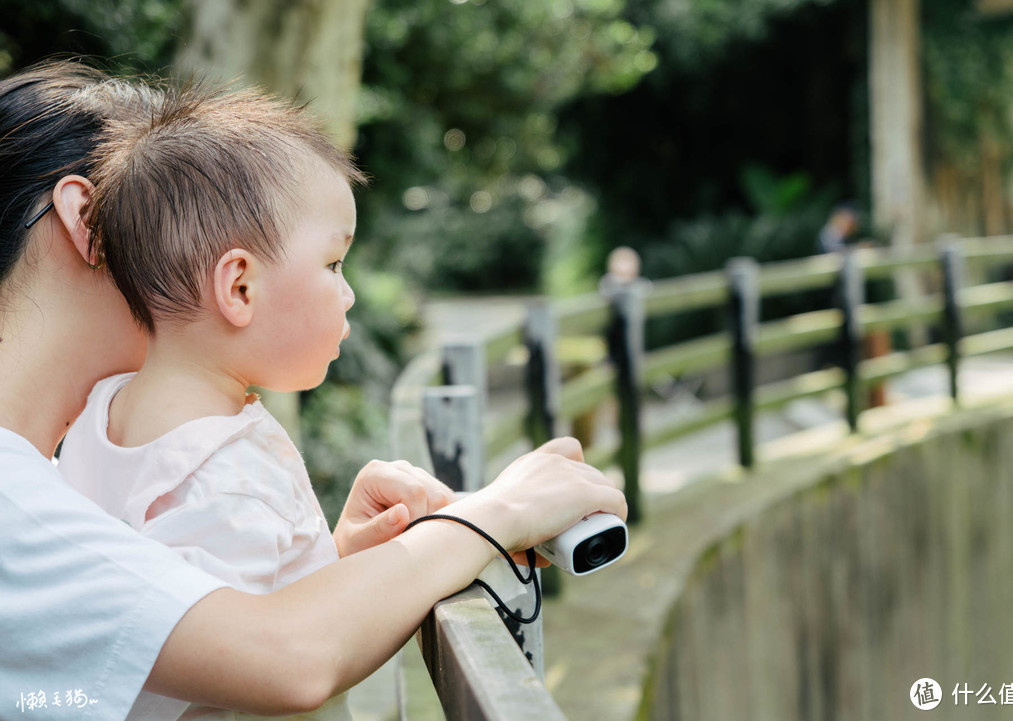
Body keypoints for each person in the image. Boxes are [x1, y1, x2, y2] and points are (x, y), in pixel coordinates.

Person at [0, 60, 626, 719]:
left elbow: (138, 658)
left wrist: (321, 565)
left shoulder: (53, 469)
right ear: (85, 217)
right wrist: (500, 510)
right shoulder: (18, 502)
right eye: (138, 217)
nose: (160, 250)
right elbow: (286, 659)